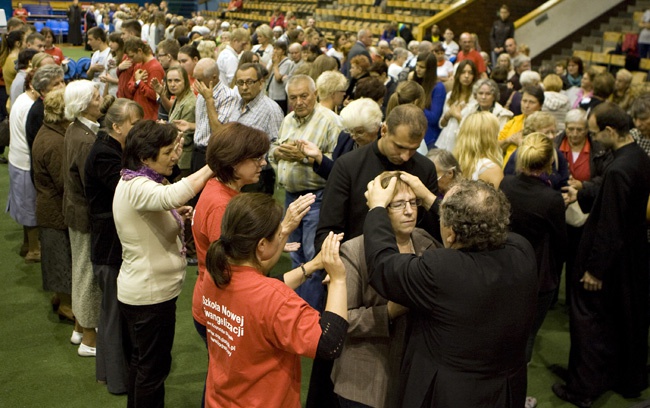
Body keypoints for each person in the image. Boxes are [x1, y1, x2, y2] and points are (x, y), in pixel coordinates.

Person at [363, 176, 537, 408]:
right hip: (505, 391)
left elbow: (383, 267)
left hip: (450, 395)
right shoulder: (522, 251)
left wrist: (376, 209)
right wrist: (429, 198)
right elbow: (485, 227)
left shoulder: (441, 270)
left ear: (452, 234)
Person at [201, 194, 349, 408]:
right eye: (279, 233)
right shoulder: (273, 298)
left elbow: (261, 296)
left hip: (220, 400)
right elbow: (329, 343)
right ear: (261, 245)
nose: (283, 235)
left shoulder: (214, 274)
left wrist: (312, 266)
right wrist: (338, 279)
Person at [554, 102, 650, 407]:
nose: (592, 138)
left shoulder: (620, 168)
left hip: (609, 262)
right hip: (632, 258)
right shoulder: (637, 156)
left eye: (595, 133)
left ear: (610, 131)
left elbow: (610, 224)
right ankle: (622, 378)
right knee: (623, 322)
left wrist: (595, 269)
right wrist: (581, 192)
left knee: (590, 325)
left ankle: (581, 389)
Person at [113, 120, 213, 407]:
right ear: (145, 157)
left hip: (144, 292)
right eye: (168, 151)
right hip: (149, 296)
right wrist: (212, 166)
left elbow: (160, 205)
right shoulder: (138, 185)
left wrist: (174, 215)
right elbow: (172, 194)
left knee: (142, 365)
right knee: (152, 371)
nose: (175, 156)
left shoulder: (136, 180)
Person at [331, 170, 438, 408]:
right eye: (398, 204)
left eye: (413, 202)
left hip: (413, 375)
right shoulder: (354, 251)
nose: (409, 211)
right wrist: (387, 313)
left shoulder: (426, 243)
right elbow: (342, 320)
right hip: (365, 381)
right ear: (379, 209)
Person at [84, 98, 143, 395]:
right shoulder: (105, 154)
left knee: (113, 312)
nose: (139, 130)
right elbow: (128, 192)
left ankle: (111, 376)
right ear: (117, 126)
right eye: (134, 124)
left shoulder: (109, 148)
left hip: (109, 244)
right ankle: (118, 381)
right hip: (109, 246)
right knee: (113, 313)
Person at [500, 132, 567, 367]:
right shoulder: (551, 199)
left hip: (504, 268)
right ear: (550, 161)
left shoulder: (505, 184)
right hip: (537, 275)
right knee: (527, 335)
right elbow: (561, 243)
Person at [62, 80, 104, 356]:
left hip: (75, 212)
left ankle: (80, 328)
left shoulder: (75, 129)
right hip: (85, 216)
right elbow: (93, 186)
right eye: (97, 96)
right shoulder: (86, 139)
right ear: (85, 104)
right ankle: (90, 340)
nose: (101, 99)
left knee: (81, 271)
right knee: (88, 276)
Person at [32, 88, 74, 321]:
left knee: (58, 256)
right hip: (54, 210)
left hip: (49, 207)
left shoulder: (49, 132)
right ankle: (66, 306)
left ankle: (61, 298)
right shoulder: (55, 141)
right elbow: (64, 182)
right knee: (61, 258)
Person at [298, 97, 382, 180]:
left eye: (359, 132)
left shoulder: (383, 146)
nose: (353, 136)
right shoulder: (345, 137)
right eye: (350, 130)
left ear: (375, 128)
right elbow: (335, 173)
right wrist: (318, 155)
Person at [435, 59, 478, 152]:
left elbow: (473, 129)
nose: (466, 76)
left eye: (470, 73)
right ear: (458, 74)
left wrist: (458, 116)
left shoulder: (475, 99)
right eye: (463, 72)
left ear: (474, 76)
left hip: (461, 144)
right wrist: (448, 115)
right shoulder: (450, 95)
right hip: (443, 142)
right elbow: (441, 124)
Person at [454, 111, 504, 188]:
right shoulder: (492, 169)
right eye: (496, 132)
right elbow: (499, 199)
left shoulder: (455, 161)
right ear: (490, 137)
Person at [499, 85, 545, 164]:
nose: (526, 106)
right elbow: (497, 146)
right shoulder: (514, 121)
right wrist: (508, 140)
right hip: (508, 169)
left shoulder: (545, 124)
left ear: (540, 105)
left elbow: (543, 151)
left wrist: (520, 142)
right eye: (524, 101)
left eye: (532, 102)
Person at [165, 66, 196, 178]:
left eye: (177, 80)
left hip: (184, 162)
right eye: (169, 81)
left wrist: (165, 130)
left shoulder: (189, 103)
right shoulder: (179, 98)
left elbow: (186, 138)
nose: (173, 84)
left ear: (185, 81)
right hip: (177, 158)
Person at [410, 52, 445, 149]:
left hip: (429, 138)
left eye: (422, 67)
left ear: (430, 69)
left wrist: (418, 105)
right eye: (417, 65)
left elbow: (434, 118)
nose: (417, 69)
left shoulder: (438, 88)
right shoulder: (415, 83)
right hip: (412, 131)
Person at [124, 37, 165, 120]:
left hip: (150, 116)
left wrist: (139, 82)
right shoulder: (138, 65)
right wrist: (136, 83)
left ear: (140, 51)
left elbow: (155, 95)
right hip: (137, 115)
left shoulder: (155, 68)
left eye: (132, 56)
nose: (131, 60)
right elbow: (129, 87)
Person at [267, 41, 293, 114]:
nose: (275, 51)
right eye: (274, 49)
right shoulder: (275, 61)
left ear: (283, 51)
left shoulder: (287, 62)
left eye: (278, 49)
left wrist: (275, 65)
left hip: (279, 97)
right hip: (271, 95)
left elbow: (278, 78)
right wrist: (272, 63)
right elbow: (266, 75)